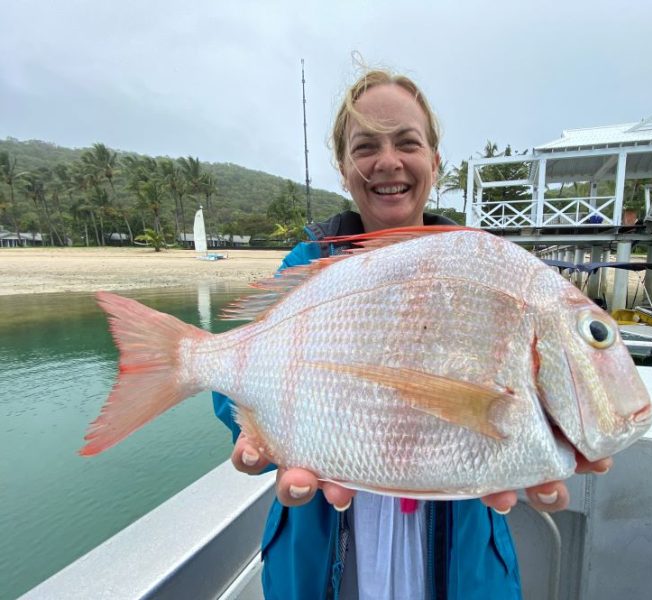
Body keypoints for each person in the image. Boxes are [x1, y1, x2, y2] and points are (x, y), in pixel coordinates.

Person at [213, 68, 612, 599]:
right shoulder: (308, 266)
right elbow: (240, 368)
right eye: (365, 147)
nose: (388, 162)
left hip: (458, 564)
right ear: (343, 167)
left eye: (407, 143)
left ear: (435, 161)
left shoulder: (486, 270)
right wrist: (260, 434)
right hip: (323, 545)